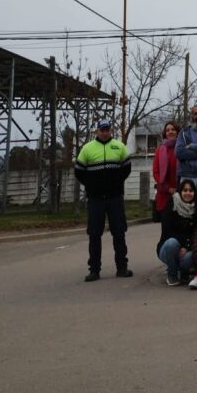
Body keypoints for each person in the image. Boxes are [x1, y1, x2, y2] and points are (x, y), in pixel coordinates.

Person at [74, 119, 132, 282]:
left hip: (115, 197)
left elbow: (127, 168)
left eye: (107, 129)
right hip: (95, 199)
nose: (104, 132)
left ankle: (122, 267)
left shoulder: (119, 146)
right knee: (94, 234)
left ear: (110, 130)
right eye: (102, 130)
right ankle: (94, 270)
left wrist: (116, 182)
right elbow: (79, 171)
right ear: (97, 131)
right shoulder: (87, 148)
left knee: (119, 232)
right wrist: (92, 185)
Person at [157, 178, 197, 285]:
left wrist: (187, 247)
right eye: (185, 190)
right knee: (172, 243)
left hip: (187, 249)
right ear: (180, 191)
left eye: (191, 190)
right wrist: (183, 244)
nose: (188, 193)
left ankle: (184, 272)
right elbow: (167, 232)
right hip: (168, 248)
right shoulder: (171, 205)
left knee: (195, 253)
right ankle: (172, 275)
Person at [152, 120, 179, 216]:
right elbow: (156, 172)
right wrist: (168, 188)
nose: (170, 132)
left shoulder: (182, 148)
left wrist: (178, 188)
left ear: (177, 132)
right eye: (168, 130)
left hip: (180, 192)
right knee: (166, 226)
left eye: (173, 129)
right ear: (165, 133)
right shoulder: (160, 149)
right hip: (164, 192)